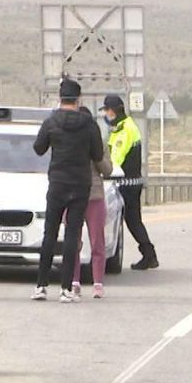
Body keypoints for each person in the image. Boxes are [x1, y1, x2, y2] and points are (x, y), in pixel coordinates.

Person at [32, 78, 106, 302]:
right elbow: (98, 155)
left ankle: (41, 286)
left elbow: (38, 148)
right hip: (81, 185)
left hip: (57, 183)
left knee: (50, 234)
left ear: (60, 98)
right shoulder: (89, 123)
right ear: (79, 99)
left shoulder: (51, 121)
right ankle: (66, 289)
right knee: (72, 235)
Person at [102, 95, 158, 270]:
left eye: (106, 110)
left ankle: (149, 255)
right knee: (133, 220)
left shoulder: (125, 130)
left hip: (127, 183)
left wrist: (104, 171)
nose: (105, 114)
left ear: (112, 110)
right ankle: (149, 255)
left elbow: (116, 159)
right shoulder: (121, 127)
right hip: (129, 182)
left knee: (130, 220)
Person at [69, 107, 115, 299]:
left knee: (97, 241)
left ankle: (97, 283)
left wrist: (96, 155)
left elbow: (108, 169)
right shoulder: (69, 143)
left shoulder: (100, 144)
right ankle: (74, 281)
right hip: (72, 195)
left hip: (94, 195)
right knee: (73, 241)